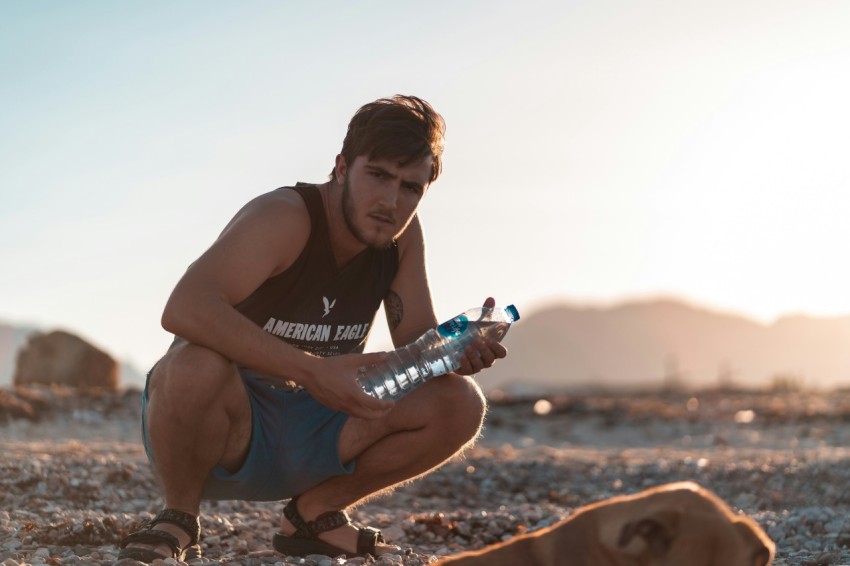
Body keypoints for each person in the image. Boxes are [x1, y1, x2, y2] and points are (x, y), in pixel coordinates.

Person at [117, 95, 509, 562]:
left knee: (458, 402)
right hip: (226, 425)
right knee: (191, 362)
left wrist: (458, 350)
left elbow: (414, 345)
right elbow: (184, 307)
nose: (391, 201)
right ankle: (177, 517)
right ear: (342, 167)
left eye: (411, 187)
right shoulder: (285, 216)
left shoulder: (400, 237)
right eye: (378, 175)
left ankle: (313, 516)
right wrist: (312, 371)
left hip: (320, 425)